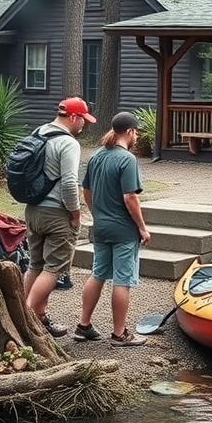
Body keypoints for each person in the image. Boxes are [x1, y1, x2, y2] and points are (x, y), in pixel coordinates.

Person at [75, 111, 151, 347]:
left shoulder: (97, 155)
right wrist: (142, 227)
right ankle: (120, 334)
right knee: (122, 280)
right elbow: (130, 197)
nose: (136, 135)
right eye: (136, 131)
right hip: (122, 230)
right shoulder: (127, 159)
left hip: (101, 227)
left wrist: (96, 213)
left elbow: (86, 190)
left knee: (98, 274)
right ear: (129, 132)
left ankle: (83, 326)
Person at [23, 97, 96, 337]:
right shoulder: (68, 143)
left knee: (36, 265)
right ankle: (28, 320)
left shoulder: (39, 132)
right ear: (73, 117)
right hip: (56, 213)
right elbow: (68, 184)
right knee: (54, 269)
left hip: (33, 210)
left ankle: (36, 318)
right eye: (83, 120)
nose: (84, 125)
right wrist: (75, 214)